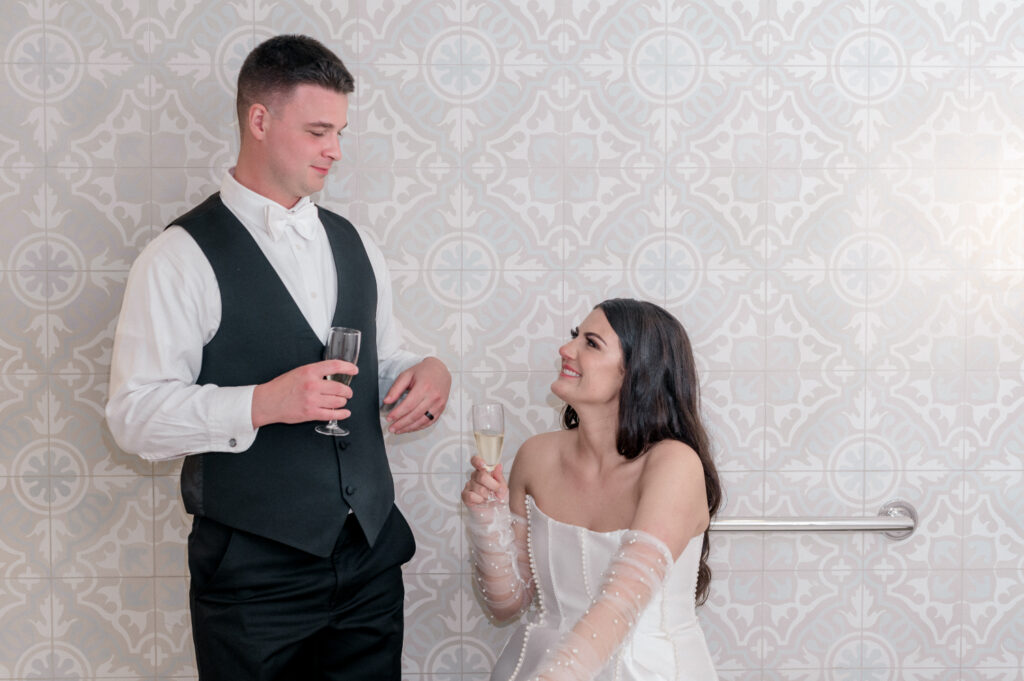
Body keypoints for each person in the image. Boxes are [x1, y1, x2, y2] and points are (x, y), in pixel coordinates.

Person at [106, 34, 452, 680]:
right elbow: (133, 415)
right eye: (319, 130)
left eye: (341, 132)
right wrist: (264, 402)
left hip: (369, 563)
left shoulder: (356, 243)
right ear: (259, 120)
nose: (336, 151)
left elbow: (385, 356)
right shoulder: (178, 258)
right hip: (251, 577)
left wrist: (428, 371)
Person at [462, 298, 721, 681]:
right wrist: (487, 520)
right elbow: (506, 604)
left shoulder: (674, 464)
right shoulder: (536, 455)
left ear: (637, 372)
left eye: (592, 343)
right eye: (574, 337)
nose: (566, 350)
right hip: (535, 664)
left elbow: (618, 608)